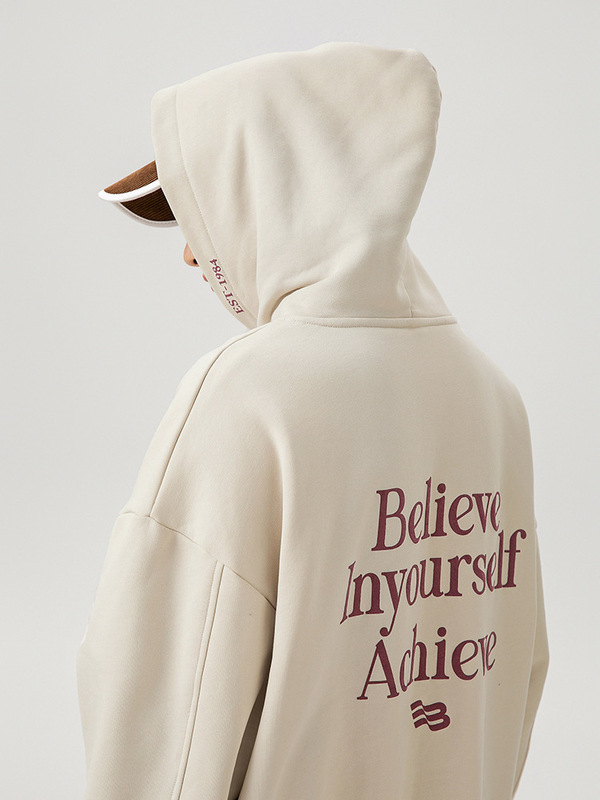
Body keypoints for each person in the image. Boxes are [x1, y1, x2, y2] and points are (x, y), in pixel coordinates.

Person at [78, 41, 549, 800]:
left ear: (276, 192)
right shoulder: (492, 396)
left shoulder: (247, 397)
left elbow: (162, 710)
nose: (193, 256)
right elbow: (517, 675)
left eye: (206, 211)